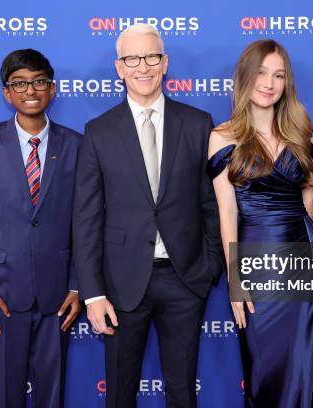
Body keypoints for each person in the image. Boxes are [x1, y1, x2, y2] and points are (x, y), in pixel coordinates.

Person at [208, 40, 313, 407]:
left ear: (287, 83)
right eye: (262, 73)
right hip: (257, 267)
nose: (269, 83)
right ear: (245, 78)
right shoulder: (222, 137)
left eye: (278, 75)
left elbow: (307, 208)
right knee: (267, 369)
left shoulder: (302, 135)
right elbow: (227, 213)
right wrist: (236, 280)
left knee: (308, 361)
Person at [73, 23, 223, 408]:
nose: (144, 67)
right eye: (132, 59)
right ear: (119, 67)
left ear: (165, 62)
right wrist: (93, 294)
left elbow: (211, 205)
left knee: (182, 392)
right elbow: (87, 218)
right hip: (121, 284)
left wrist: (207, 270)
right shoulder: (98, 131)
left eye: (152, 57)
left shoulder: (198, 123)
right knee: (120, 393)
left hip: (185, 279)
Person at [0, 49, 82, 408]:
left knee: (52, 394)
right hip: (1, 294)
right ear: (6, 93)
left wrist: (76, 284)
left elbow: (84, 225)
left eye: (39, 81)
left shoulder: (76, 145)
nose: (31, 90)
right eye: (20, 83)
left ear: (52, 89)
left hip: (58, 297)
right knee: (5, 392)